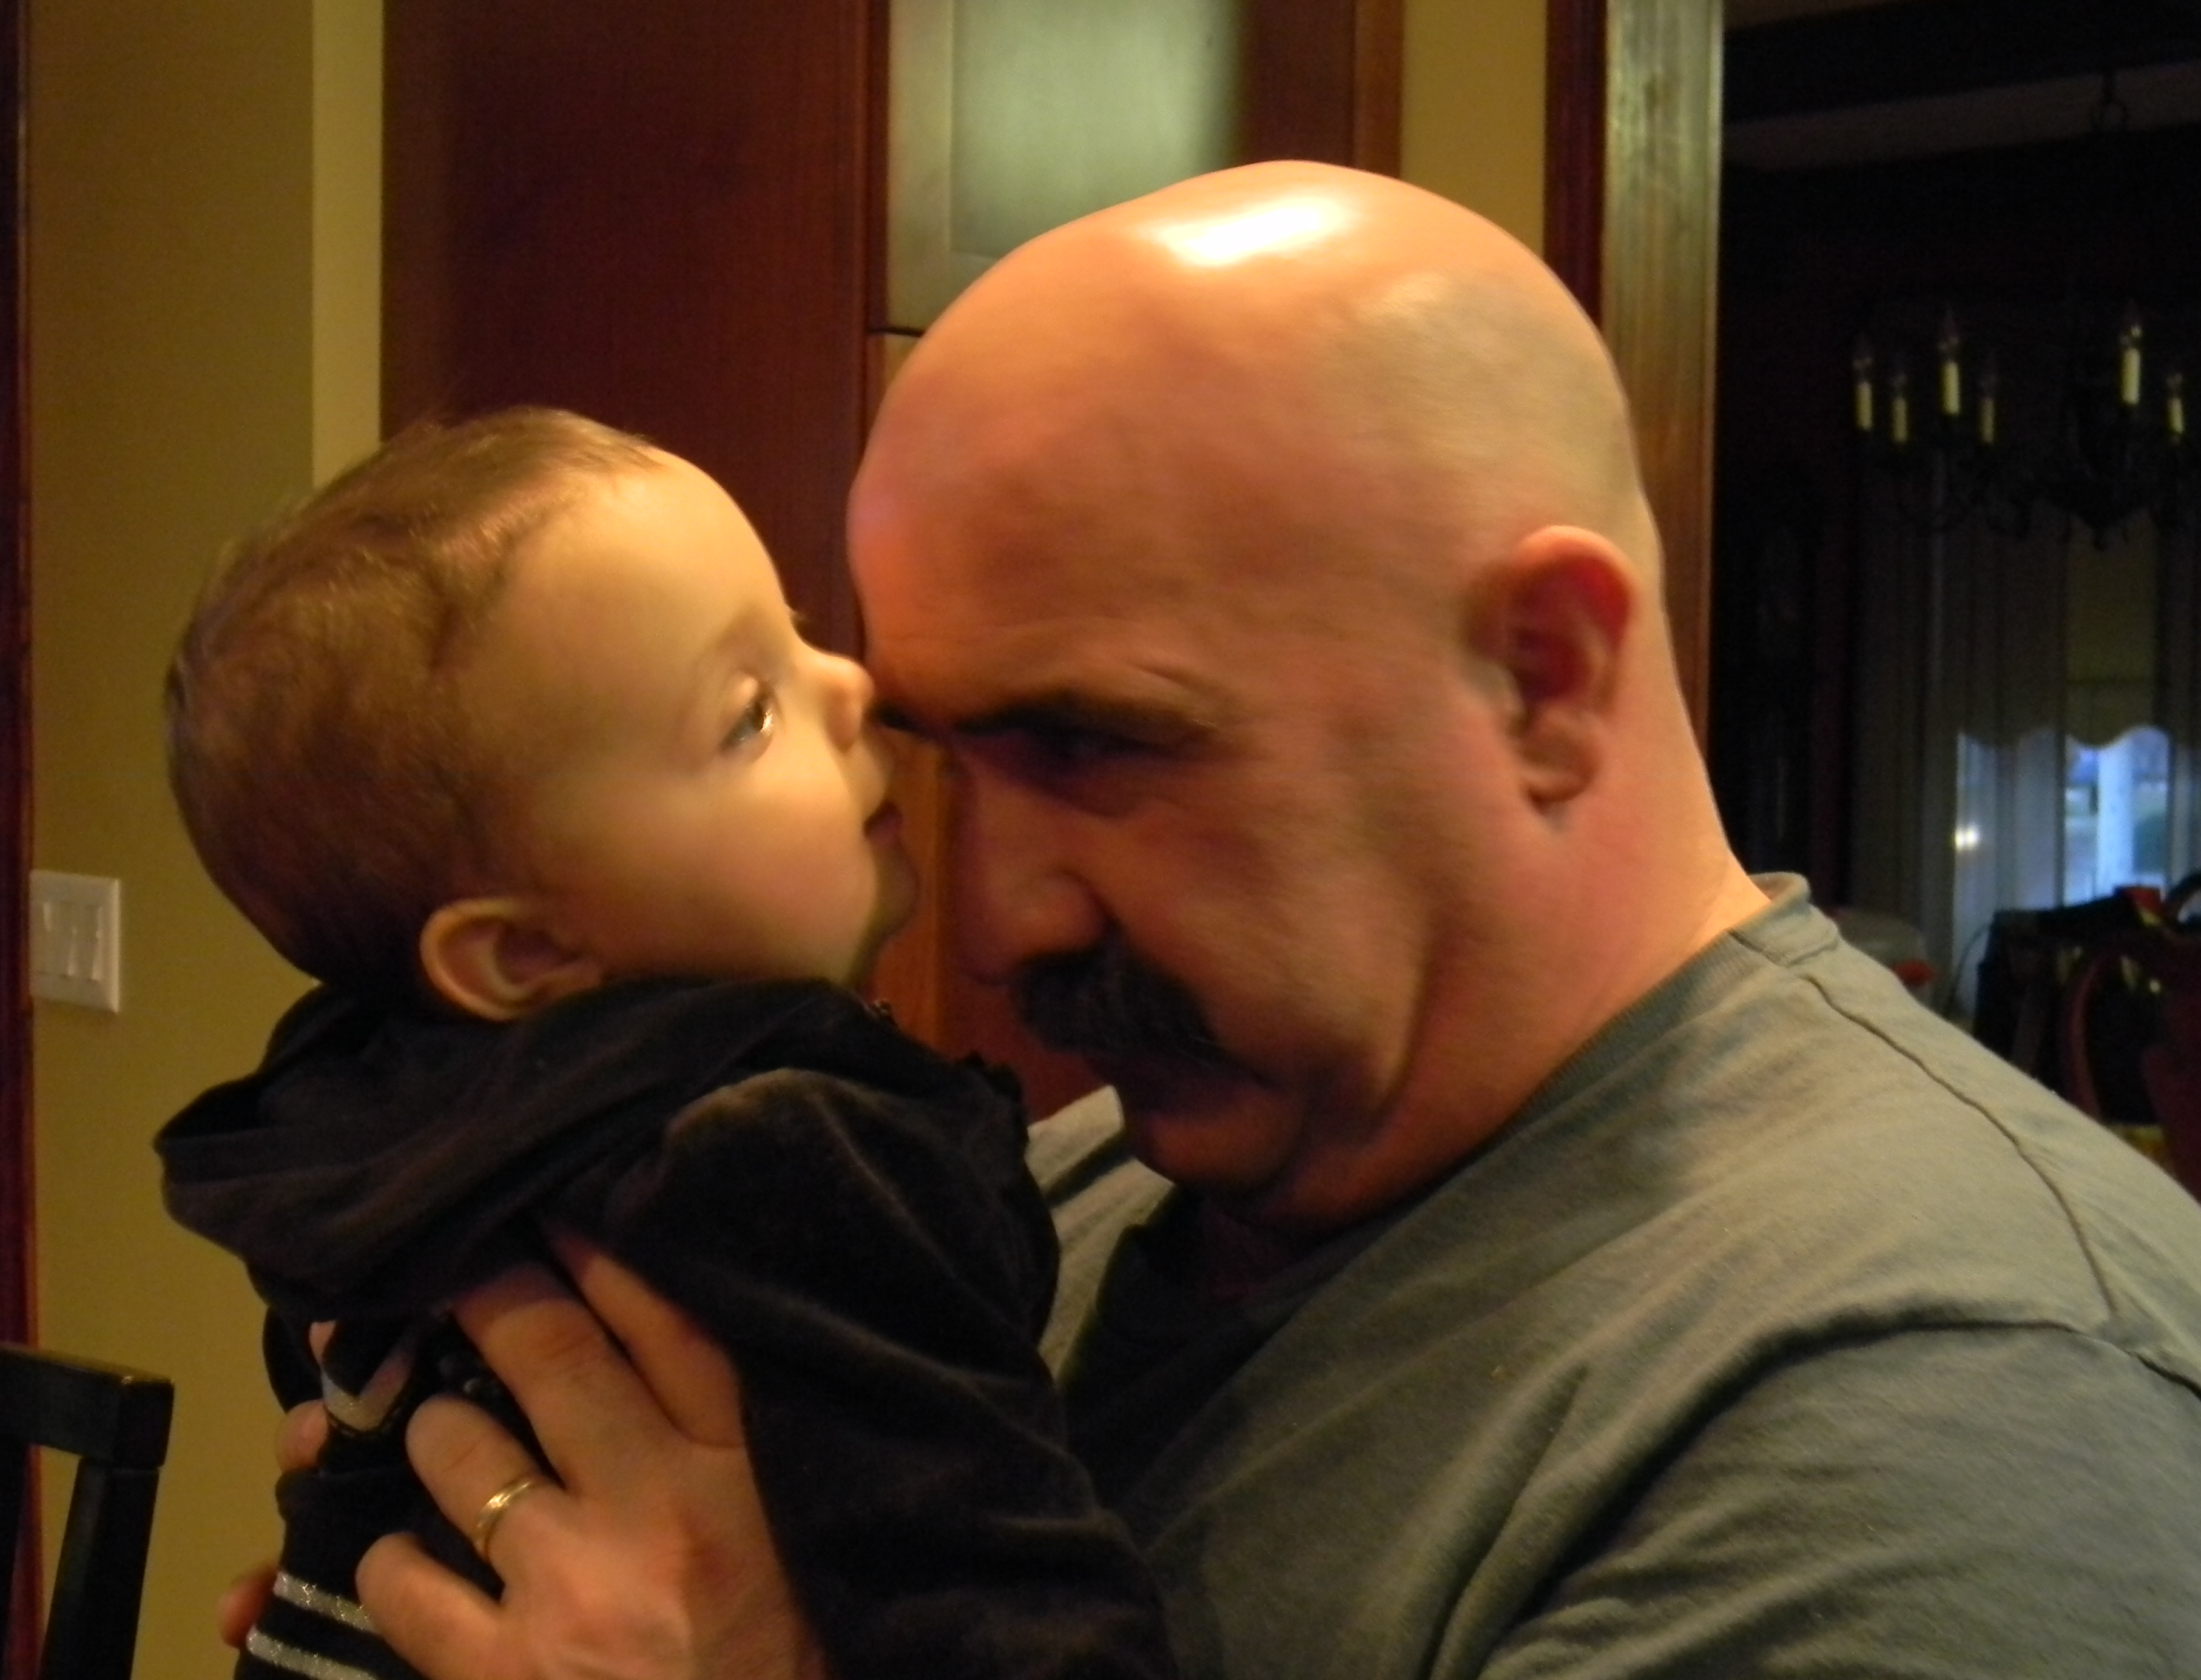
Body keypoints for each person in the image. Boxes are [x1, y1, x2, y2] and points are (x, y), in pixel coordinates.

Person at [349, 164, 2201, 1680]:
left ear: (1544, 675)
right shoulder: (1035, 1203)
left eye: (1093, 745)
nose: (991, 923)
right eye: (946, 759)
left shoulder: (1952, 1408)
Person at [159, 409, 1174, 1680]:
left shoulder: (373, 1136)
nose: (855, 687)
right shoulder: (790, 1163)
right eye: (748, 715)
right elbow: (991, 1581)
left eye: (796, 631)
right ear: (528, 954)